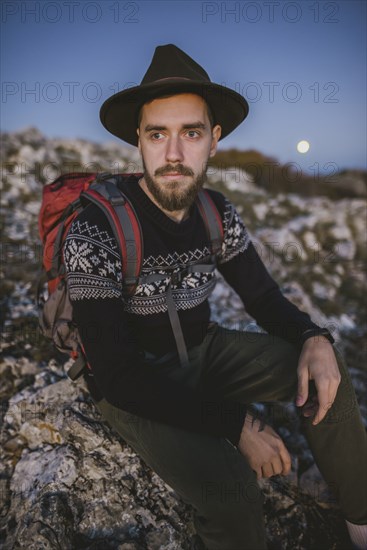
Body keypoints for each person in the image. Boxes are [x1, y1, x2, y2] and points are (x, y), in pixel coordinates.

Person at [63, 44, 367, 550]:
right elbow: (116, 375)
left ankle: (361, 521)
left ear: (215, 140)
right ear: (138, 139)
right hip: (134, 381)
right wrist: (237, 424)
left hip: (206, 352)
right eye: (158, 134)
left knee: (325, 374)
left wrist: (315, 337)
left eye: (192, 133)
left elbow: (265, 299)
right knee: (231, 492)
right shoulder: (96, 227)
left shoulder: (215, 212)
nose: (175, 154)